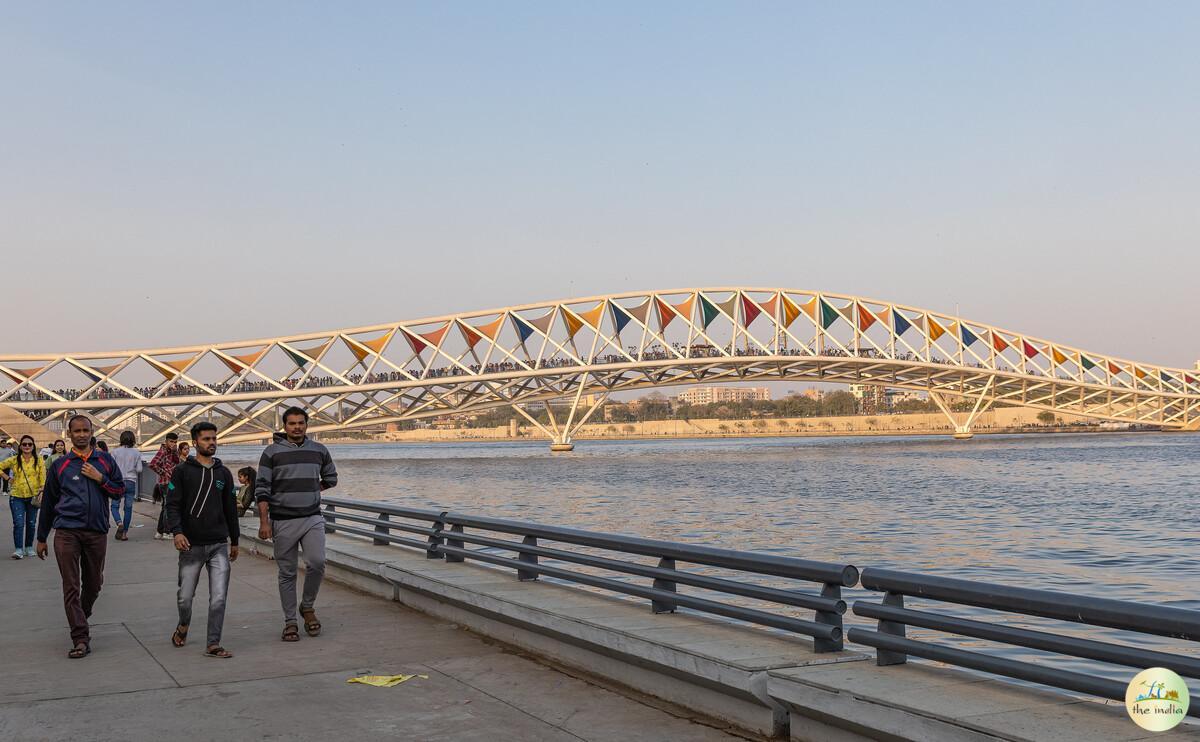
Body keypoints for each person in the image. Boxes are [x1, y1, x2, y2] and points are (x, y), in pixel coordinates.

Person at [36, 415, 126, 659]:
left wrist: (100, 478)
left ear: (92, 431)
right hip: (67, 532)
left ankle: (80, 616)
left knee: (94, 584)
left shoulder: (105, 461)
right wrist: (41, 537)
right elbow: (49, 503)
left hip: (96, 531)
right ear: (70, 434)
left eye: (86, 430)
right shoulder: (60, 466)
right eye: (77, 431)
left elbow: (119, 491)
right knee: (71, 586)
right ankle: (80, 638)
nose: (82, 434)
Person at [256, 407, 337, 642]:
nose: (297, 427)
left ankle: (307, 606)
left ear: (307, 425)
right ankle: (290, 621)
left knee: (318, 562)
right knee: (287, 572)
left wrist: (312, 489)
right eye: (292, 424)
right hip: (282, 520)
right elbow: (262, 489)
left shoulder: (319, 450)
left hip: (312, 517)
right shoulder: (271, 453)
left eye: (301, 423)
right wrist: (264, 522)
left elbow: (331, 478)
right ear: (285, 426)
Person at [165, 422, 239, 659]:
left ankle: (213, 643)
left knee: (218, 597)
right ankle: (184, 624)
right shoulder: (182, 472)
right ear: (195, 442)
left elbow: (230, 509)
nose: (211, 443)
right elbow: (172, 504)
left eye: (214, 439)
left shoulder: (223, 474)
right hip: (191, 545)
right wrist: (177, 531)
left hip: (218, 543)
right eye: (206, 439)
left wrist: (234, 540)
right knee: (185, 597)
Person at [1, 435, 45, 559]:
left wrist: (42, 490)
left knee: (31, 523)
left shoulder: (39, 460)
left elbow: (43, 477)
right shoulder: (14, 459)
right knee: (19, 523)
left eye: (29, 444)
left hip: (33, 496)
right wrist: (8, 478)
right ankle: (19, 549)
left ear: (33, 446)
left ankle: (29, 547)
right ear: (20, 446)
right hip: (16, 496)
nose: (26, 446)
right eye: (24, 444)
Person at [109, 430, 143, 541]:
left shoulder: (115, 452)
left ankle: (119, 523)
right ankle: (124, 534)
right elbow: (139, 469)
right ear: (133, 439)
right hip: (131, 482)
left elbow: (111, 468)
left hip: (117, 482)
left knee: (114, 506)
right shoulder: (136, 452)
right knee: (128, 508)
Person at [148, 433, 180, 540]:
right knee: (168, 508)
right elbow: (152, 464)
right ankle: (167, 532)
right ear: (166, 441)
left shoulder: (172, 452)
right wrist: (164, 473)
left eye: (175, 442)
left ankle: (159, 531)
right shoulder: (163, 451)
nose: (173, 444)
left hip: (168, 483)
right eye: (171, 441)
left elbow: (177, 462)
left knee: (164, 507)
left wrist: (175, 452)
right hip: (165, 483)